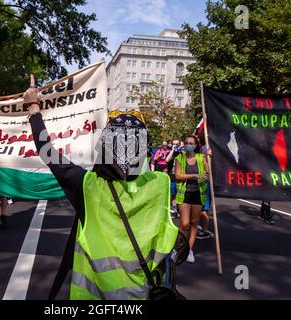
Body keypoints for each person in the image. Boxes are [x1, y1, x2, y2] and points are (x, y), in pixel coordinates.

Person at [24, 75, 186, 300]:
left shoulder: (88, 185)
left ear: (105, 146)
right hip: (144, 293)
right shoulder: (160, 184)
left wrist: (33, 107)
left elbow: (47, 151)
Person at [175, 135, 210, 263]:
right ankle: (181, 248)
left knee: (194, 223)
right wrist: (195, 175)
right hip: (184, 194)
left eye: (191, 143)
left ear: (196, 145)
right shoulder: (180, 158)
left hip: (198, 194)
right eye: (187, 142)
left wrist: (208, 158)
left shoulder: (201, 158)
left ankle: (189, 249)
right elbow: (178, 176)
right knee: (184, 224)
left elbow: (208, 171)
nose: (189, 145)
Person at [166, 139, 182, 218]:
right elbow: (167, 160)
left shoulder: (182, 153)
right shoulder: (170, 153)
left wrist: (181, 149)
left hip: (181, 177)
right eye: (174, 144)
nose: (175, 146)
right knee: (173, 195)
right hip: (172, 176)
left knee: (182, 194)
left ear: (180, 144)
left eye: (177, 144)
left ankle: (182, 211)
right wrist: (172, 151)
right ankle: (175, 211)